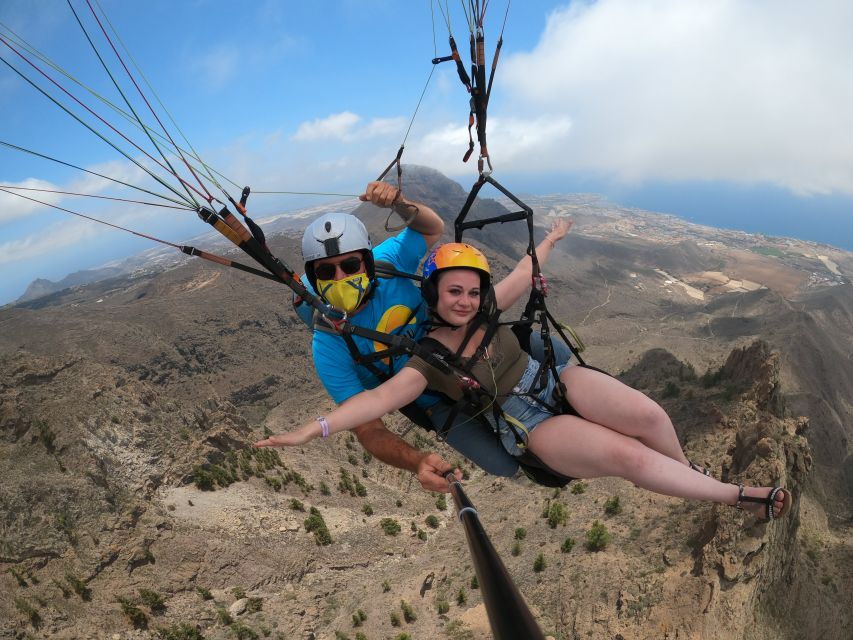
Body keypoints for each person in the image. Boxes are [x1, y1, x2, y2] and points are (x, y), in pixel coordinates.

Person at [258, 221, 793, 521]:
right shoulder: (425, 361)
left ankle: (692, 473)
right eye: (454, 293)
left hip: (553, 381)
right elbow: (374, 404)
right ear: (433, 296)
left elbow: (520, 273)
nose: (466, 302)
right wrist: (316, 429)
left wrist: (552, 240)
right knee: (625, 455)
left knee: (648, 414)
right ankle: (735, 495)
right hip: (528, 423)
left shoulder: (487, 310)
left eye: (472, 292)